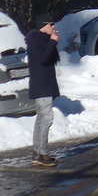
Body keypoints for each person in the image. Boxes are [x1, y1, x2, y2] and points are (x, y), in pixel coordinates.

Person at [27, 14, 61, 167]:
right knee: (47, 119)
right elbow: (42, 58)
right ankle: (43, 153)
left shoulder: (41, 39)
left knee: (41, 119)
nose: (53, 28)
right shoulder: (35, 40)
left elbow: (52, 58)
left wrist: (52, 42)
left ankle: (37, 152)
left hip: (45, 85)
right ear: (44, 25)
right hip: (42, 86)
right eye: (51, 25)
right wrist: (52, 42)